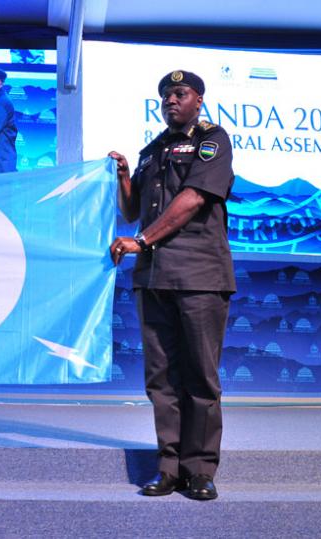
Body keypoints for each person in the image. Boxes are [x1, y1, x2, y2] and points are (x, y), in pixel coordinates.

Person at [108, 70, 235, 501]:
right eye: (165, 96)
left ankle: (199, 470)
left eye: (179, 94)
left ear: (198, 99)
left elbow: (194, 198)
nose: (170, 101)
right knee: (160, 379)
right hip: (155, 277)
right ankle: (168, 467)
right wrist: (125, 175)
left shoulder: (212, 140)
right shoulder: (152, 150)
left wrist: (141, 241)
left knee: (200, 376)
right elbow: (130, 211)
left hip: (199, 275)